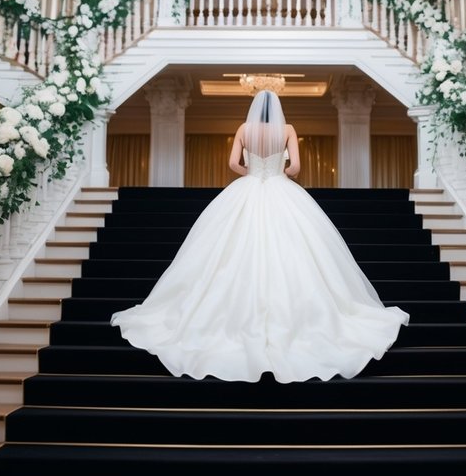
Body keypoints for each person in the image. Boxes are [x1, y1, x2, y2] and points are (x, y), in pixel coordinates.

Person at [111, 89, 408, 382]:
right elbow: (296, 167)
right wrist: (280, 172)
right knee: (298, 253)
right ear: (277, 109)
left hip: (248, 186)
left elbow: (231, 164)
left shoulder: (244, 128)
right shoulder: (288, 129)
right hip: (282, 189)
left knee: (224, 251)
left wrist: (251, 172)